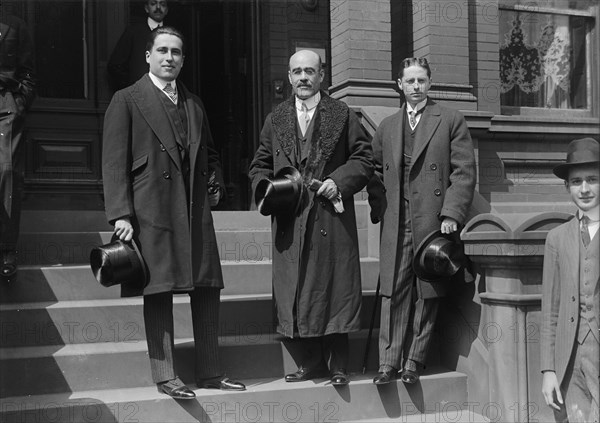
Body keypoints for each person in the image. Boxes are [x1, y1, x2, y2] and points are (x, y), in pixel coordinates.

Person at [102, 26, 245, 399]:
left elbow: (210, 152)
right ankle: (166, 376)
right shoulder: (127, 99)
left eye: (176, 53)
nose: (169, 58)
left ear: (183, 59)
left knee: (207, 285)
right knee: (159, 286)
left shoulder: (194, 104)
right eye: (162, 51)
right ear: (148, 55)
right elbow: (114, 162)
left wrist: (214, 180)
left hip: (194, 207)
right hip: (153, 207)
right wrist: (121, 215)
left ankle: (211, 372)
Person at [249, 49, 373, 386]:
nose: (303, 78)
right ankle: (312, 362)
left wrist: (338, 182)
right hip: (291, 216)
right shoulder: (275, 119)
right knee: (300, 287)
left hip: (328, 217)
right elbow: (259, 164)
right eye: (297, 72)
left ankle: (338, 365)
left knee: (333, 286)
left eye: (310, 71)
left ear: (322, 76)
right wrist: (267, 188)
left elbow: (364, 159)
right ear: (289, 77)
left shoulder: (342, 115)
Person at [367, 57, 476, 385]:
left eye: (422, 81)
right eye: (410, 81)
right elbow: (372, 170)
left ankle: (413, 362)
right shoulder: (387, 126)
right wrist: (379, 206)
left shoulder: (450, 120)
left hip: (432, 220)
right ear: (398, 85)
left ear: (430, 83)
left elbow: (464, 170)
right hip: (397, 219)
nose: (416, 87)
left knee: (427, 290)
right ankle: (388, 363)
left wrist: (452, 214)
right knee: (393, 290)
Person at [540, 137, 599, 423]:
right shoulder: (557, 237)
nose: (584, 189)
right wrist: (548, 371)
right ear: (567, 186)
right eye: (576, 181)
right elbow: (551, 310)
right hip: (571, 359)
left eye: (592, 179)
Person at [0, 8, 36, 280]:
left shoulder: (15, 25)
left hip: (5, 104)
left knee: (7, 172)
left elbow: (27, 70)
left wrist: (20, 102)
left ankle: (7, 249)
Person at [107, 0, 168, 91]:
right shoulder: (133, 32)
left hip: (165, 94)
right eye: (153, 4)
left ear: (167, 10)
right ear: (146, 8)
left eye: (162, 4)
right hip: (138, 94)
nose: (158, 7)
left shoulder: (173, 34)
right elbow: (115, 65)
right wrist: (131, 86)